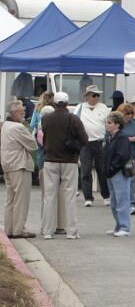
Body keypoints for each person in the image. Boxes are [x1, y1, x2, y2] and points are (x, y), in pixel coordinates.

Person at [39, 92, 87, 240]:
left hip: (50, 160)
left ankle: (47, 230)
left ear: (54, 103)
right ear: (67, 103)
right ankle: (71, 231)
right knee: (69, 197)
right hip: (69, 161)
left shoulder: (46, 118)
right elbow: (84, 139)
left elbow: (44, 136)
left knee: (49, 196)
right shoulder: (74, 119)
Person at [2, 100, 38, 238]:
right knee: (21, 200)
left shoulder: (6, 125)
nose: (24, 112)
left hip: (8, 164)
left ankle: (9, 229)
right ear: (15, 112)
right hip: (19, 165)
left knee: (10, 199)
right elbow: (33, 144)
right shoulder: (18, 127)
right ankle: (19, 230)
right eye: (22, 111)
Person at [76, 85, 111, 207]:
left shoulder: (104, 108)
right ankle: (88, 197)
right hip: (85, 143)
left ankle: (106, 195)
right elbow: (75, 122)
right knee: (86, 170)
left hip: (100, 141)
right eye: (93, 95)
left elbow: (109, 122)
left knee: (102, 169)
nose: (96, 97)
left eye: (97, 95)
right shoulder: (80, 107)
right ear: (87, 96)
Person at [99, 112, 133, 237]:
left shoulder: (122, 137)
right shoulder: (110, 137)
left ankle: (125, 227)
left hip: (119, 173)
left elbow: (122, 156)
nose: (107, 125)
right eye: (106, 122)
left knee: (122, 201)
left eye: (109, 123)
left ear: (117, 124)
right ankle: (119, 225)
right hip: (111, 173)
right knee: (114, 202)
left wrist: (112, 168)